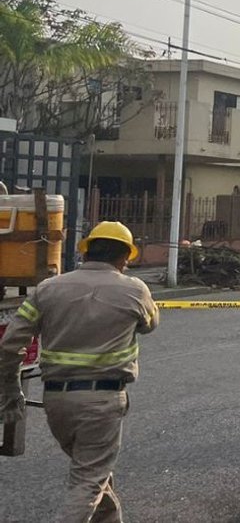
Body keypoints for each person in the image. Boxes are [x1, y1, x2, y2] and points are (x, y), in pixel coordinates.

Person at [0, 221, 160, 523]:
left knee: (95, 473)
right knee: (89, 480)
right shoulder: (135, 290)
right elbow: (150, 325)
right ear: (125, 257)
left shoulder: (48, 289)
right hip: (103, 403)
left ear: (85, 252)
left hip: (57, 404)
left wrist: (10, 389)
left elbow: (9, 345)